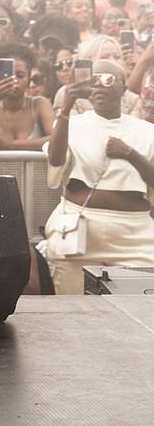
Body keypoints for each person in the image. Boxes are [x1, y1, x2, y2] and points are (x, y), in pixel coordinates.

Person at [43, 59, 154, 294]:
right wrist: (66, 107)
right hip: (78, 229)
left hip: (135, 235)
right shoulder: (71, 124)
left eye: (108, 80)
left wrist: (131, 154)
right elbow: (55, 161)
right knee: (74, 311)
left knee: (141, 311)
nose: (100, 86)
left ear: (124, 89)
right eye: (94, 81)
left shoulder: (146, 131)